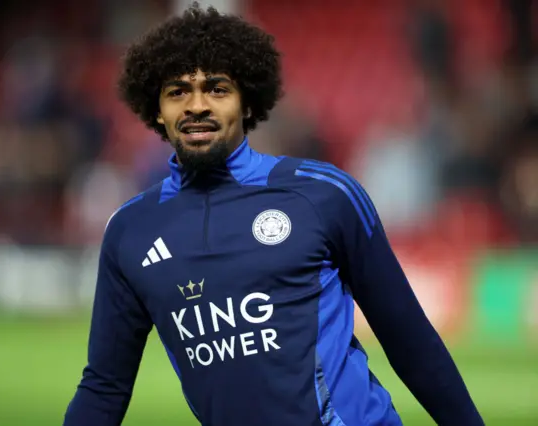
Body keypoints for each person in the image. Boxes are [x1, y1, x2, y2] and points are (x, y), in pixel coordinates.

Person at [63, 4, 483, 425]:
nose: (196, 106)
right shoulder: (130, 231)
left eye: (217, 89)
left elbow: (410, 340)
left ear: (248, 103)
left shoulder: (323, 194)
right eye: (177, 92)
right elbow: (105, 385)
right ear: (156, 111)